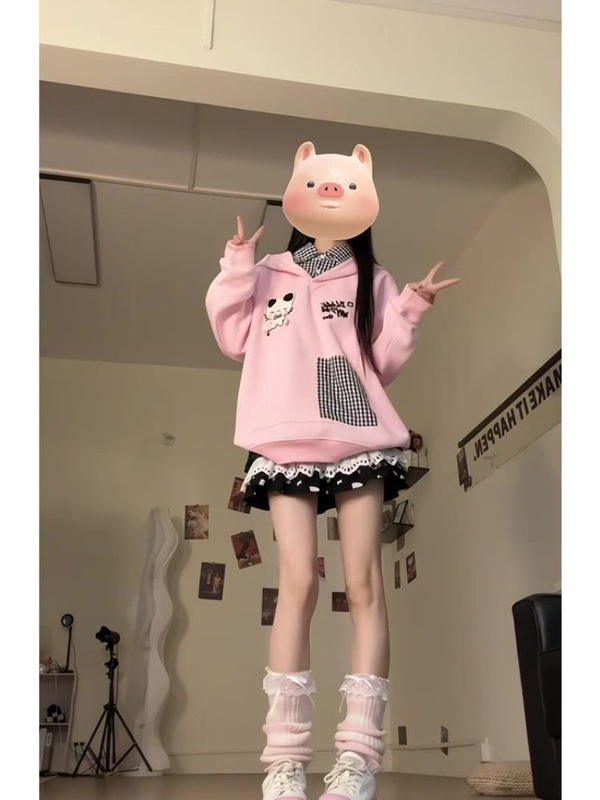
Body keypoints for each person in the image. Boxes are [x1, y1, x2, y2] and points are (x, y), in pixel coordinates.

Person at [206, 142, 459, 800]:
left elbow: (383, 363)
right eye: (321, 184)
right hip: (282, 438)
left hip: (356, 436)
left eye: (346, 188)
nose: (331, 196)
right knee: (296, 585)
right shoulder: (267, 271)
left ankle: (357, 760)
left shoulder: (371, 279)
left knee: (364, 584)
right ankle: (285, 762)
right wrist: (236, 266)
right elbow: (233, 337)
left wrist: (410, 307)